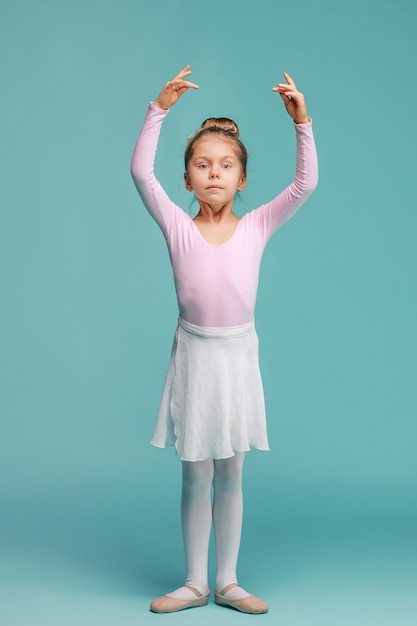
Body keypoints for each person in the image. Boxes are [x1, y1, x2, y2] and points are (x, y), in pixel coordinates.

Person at [131, 65, 318, 614]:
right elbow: (142, 174)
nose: (215, 173)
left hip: (237, 358)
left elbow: (305, 184)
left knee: (231, 470)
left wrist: (301, 122)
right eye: (202, 165)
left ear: (241, 178)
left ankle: (229, 581)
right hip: (195, 356)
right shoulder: (176, 226)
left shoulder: (258, 225)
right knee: (195, 472)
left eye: (227, 165)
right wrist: (157, 109)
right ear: (187, 179)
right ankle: (194, 581)